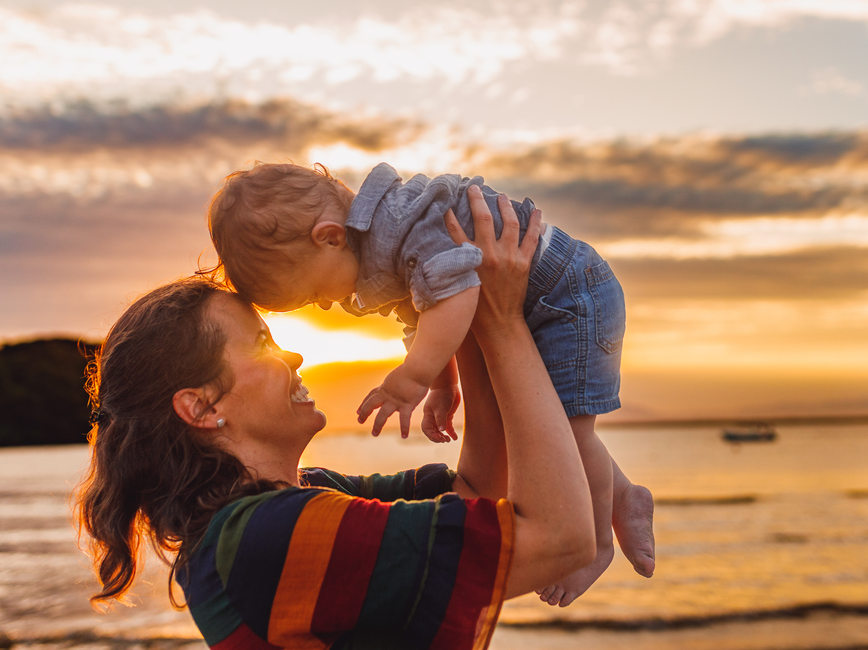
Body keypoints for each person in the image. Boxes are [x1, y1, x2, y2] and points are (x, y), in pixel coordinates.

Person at [76, 187, 598, 649]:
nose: (294, 358)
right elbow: (559, 540)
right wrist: (503, 321)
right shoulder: (265, 538)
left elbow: (479, 492)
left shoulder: (294, 503)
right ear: (202, 407)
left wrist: (470, 298)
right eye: (261, 345)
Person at [206, 162, 655, 606]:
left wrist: (413, 379)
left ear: (330, 237)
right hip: (541, 298)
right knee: (557, 421)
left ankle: (597, 542)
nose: (326, 306)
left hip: (565, 293)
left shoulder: (401, 230)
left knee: (571, 433)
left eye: (315, 295)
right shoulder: (380, 258)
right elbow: (424, 312)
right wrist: (443, 384)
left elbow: (456, 293)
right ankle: (623, 497)